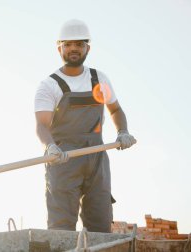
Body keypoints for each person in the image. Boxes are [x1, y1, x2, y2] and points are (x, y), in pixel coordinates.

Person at [34, 19, 136, 233]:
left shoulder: (98, 78)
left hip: (96, 158)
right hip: (63, 159)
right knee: (61, 229)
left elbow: (115, 110)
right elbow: (42, 125)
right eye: (68, 44)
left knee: (100, 224)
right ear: (59, 47)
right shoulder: (49, 85)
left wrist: (122, 131)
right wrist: (50, 147)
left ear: (87, 48)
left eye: (79, 44)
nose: (73, 49)